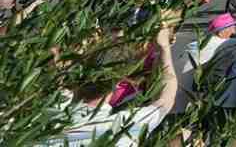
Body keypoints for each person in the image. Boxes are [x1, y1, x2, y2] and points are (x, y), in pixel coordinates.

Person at [52, 19, 180, 143]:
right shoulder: (124, 125)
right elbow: (166, 100)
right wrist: (164, 47)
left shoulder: (49, 107)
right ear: (120, 80)